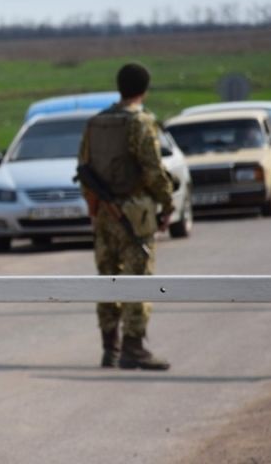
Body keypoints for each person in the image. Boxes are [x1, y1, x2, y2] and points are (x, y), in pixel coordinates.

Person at [78, 63, 174, 371]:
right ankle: (133, 347)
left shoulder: (96, 123)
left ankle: (110, 348)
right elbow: (153, 170)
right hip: (135, 214)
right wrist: (167, 204)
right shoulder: (141, 122)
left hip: (104, 214)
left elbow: (84, 166)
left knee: (108, 278)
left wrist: (95, 208)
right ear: (144, 89)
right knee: (138, 278)